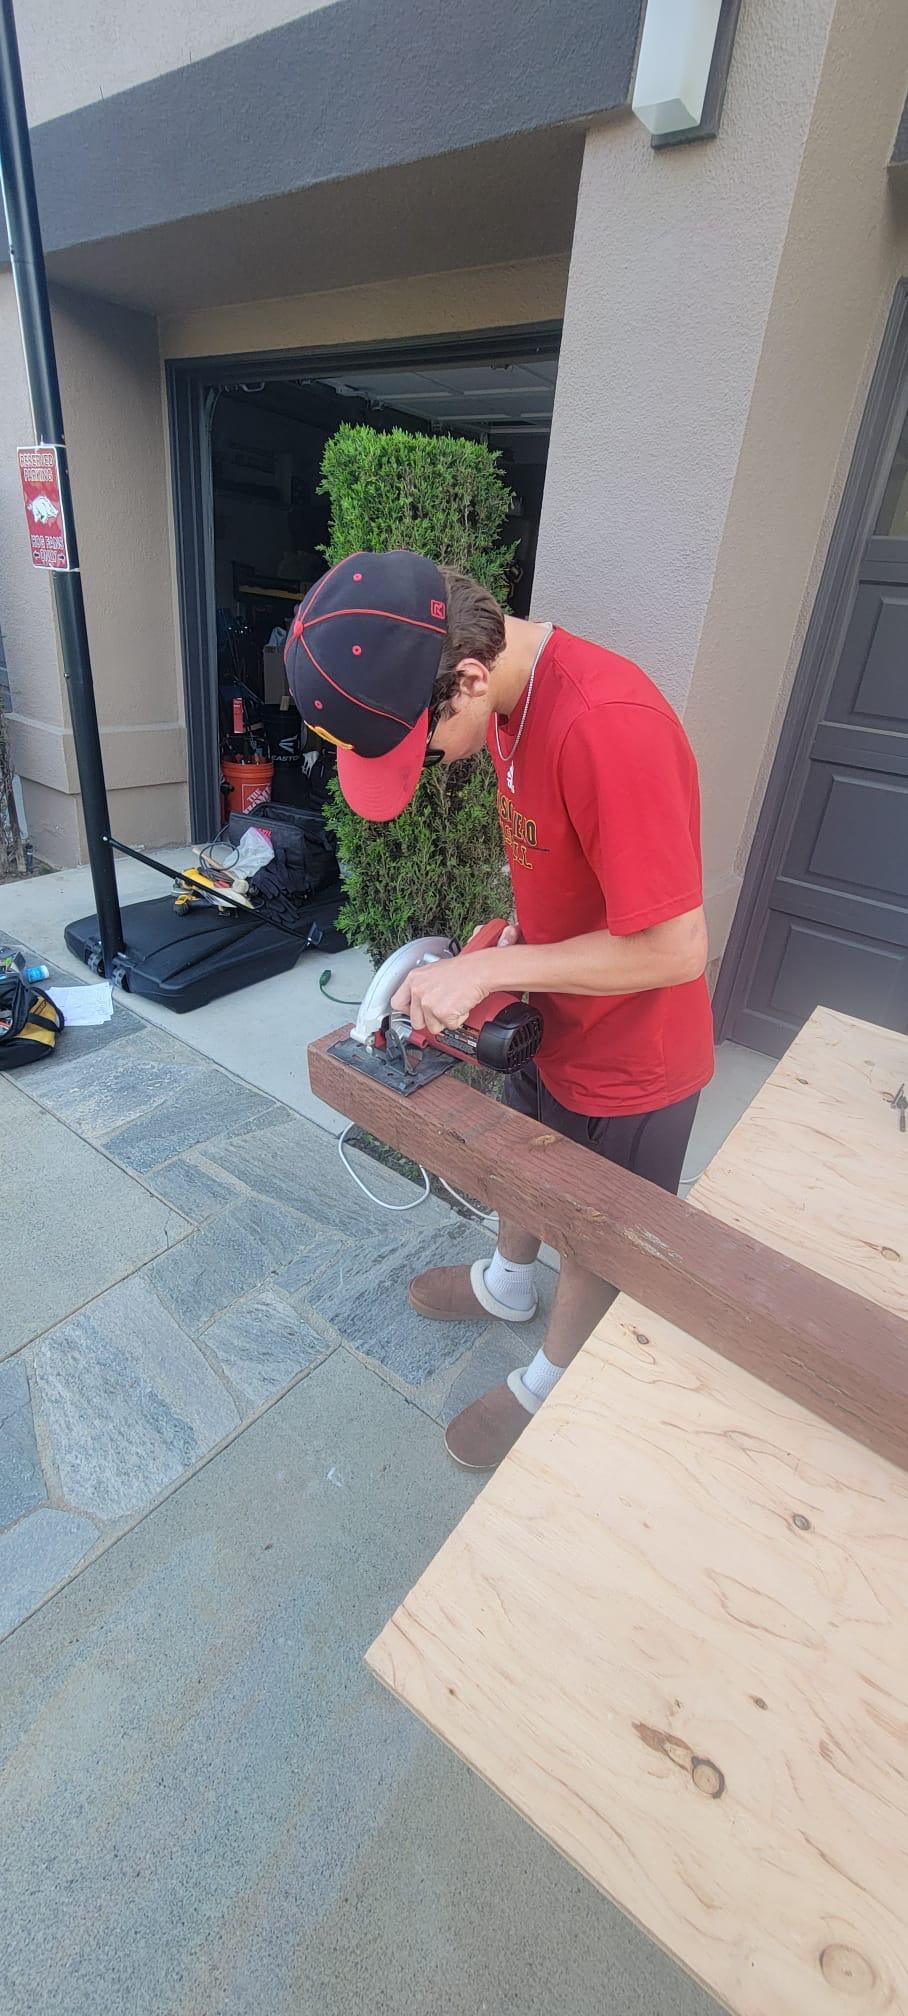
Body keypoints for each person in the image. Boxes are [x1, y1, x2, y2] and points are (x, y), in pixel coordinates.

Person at [285, 550, 713, 1470]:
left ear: (470, 677)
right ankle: (508, 1283)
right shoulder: (509, 706)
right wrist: (504, 942)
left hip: (636, 1054)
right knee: (526, 1165)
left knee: (598, 1231)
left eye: (420, 747)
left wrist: (498, 971)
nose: (430, 765)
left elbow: (678, 947)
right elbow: (574, 866)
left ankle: (553, 1384)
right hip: (557, 1018)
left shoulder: (608, 724)